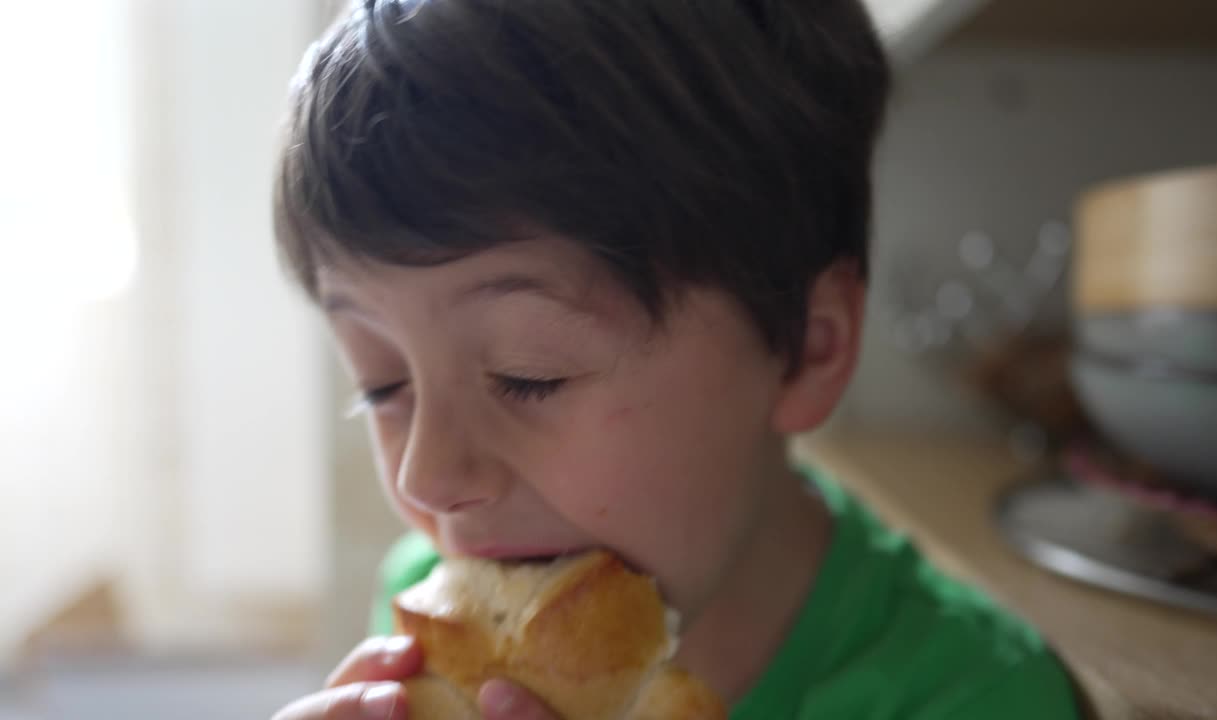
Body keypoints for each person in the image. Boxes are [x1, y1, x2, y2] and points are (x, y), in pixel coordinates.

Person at [269, 1, 1080, 718]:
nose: (425, 478)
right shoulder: (425, 613)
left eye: (529, 375)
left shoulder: (973, 696)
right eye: (382, 385)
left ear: (804, 347)